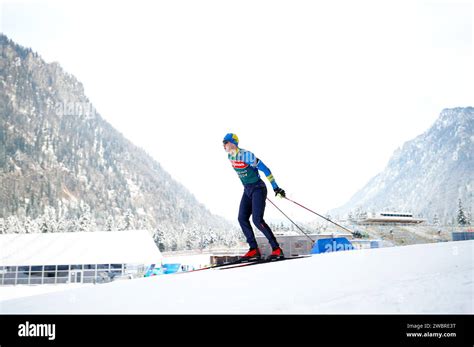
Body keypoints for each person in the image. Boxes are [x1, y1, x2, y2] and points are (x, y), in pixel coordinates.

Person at [223, 133, 286, 261]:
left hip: (258, 188)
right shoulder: (230, 156)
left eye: (226, 142)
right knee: (242, 218)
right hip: (248, 190)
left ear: (233, 143)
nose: (223, 145)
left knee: (257, 220)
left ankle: (277, 249)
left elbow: (265, 169)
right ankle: (254, 249)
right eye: (223, 143)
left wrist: (276, 187)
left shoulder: (246, 155)